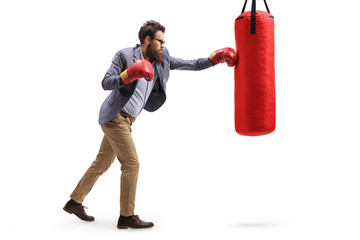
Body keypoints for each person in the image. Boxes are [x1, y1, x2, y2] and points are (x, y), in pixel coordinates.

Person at [63, 20, 237, 229]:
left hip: (128, 121)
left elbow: (191, 64)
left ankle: (74, 202)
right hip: (114, 117)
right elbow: (106, 82)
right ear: (148, 40)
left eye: (164, 42)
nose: (163, 46)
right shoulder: (125, 55)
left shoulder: (162, 59)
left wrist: (213, 59)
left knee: (101, 163)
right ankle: (126, 216)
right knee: (132, 164)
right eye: (160, 41)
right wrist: (129, 74)